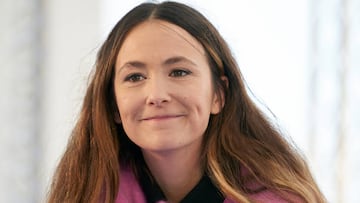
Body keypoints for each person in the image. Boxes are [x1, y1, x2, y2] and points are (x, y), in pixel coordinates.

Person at [47, 1, 326, 203]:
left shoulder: (281, 199)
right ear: (113, 105)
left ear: (219, 94)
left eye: (179, 72)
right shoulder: (83, 193)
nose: (156, 95)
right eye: (134, 77)